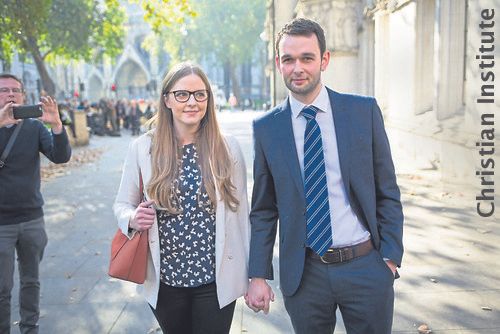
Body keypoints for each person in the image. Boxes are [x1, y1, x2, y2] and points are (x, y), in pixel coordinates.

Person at [245, 18, 404, 334]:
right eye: (288, 60)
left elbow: (387, 188)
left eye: (307, 58)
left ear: (324, 60)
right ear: (278, 64)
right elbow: (263, 210)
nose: (297, 68)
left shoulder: (363, 112)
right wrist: (257, 275)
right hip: (306, 275)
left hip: (366, 267)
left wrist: (390, 256)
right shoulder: (266, 128)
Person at [114, 62, 250, 334]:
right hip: (166, 282)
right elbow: (122, 204)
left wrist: (254, 275)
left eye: (200, 94)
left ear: (208, 99)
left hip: (216, 281)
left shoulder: (227, 147)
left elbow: (243, 216)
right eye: (182, 94)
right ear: (167, 99)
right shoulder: (143, 148)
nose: (192, 102)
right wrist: (132, 218)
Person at [0, 73, 72, 334]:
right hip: (2, 224)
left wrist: (56, 126)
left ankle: (30, 329)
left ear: (23, 96)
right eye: (4, 90)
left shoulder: (33, 127)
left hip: (32, 218)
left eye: (15, 91)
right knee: (2, 289)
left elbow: (60, 157)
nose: (10, 95)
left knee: (31, 282)